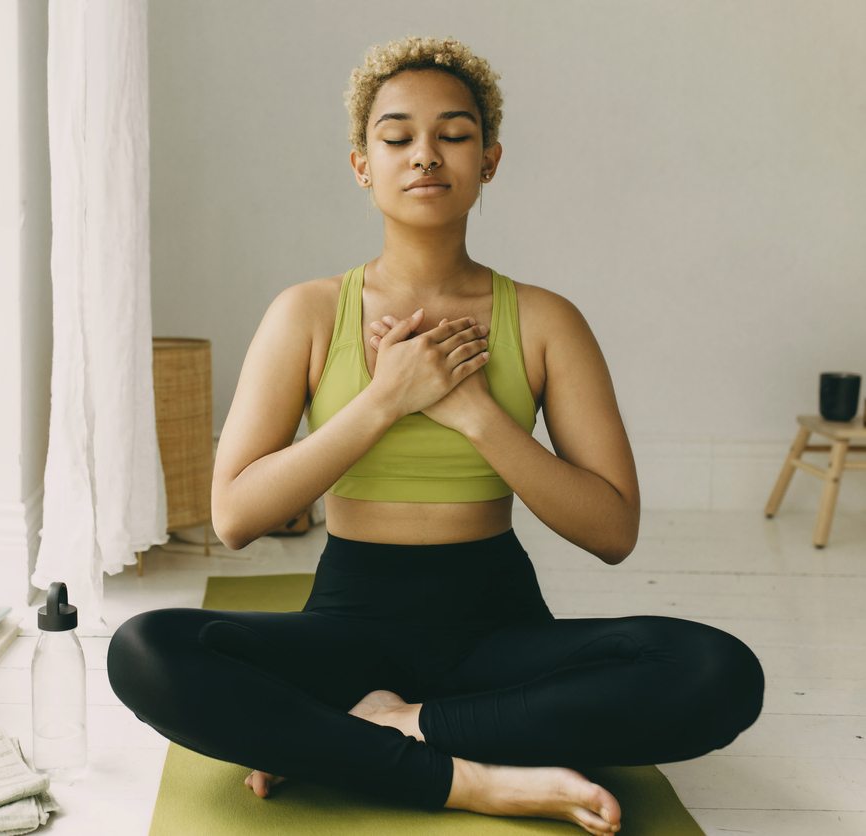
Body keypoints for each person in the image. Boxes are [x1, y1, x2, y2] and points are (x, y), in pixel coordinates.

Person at [107, 35, 764, 836]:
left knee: (716, 672)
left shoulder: (548, 321)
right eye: (397, 137)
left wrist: (475, 415)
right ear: (362, 164)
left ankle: (382, 731)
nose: (426, 155)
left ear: (488, 161)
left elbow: (613, 530)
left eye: (453, 135)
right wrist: (383, 401)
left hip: (497, 627)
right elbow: (236, 518)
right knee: (144, 648)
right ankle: (476, 779)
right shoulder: (308, 314)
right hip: (346, 622)